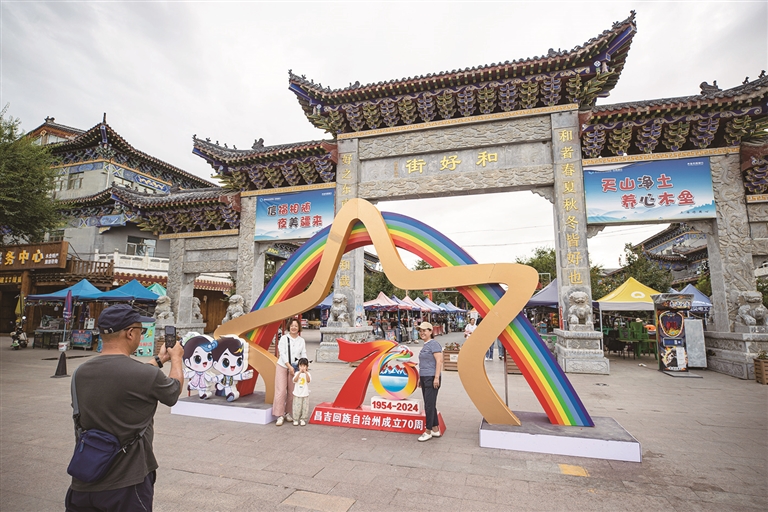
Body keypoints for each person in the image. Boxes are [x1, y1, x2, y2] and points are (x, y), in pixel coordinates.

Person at [65, 304, 183, 512]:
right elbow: (173, 392)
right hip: (127, 484)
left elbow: (129, 377)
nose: (140, 335)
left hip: (84, 479)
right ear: (130, 333)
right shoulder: (145, 376)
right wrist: (176, 359)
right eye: (141, 331)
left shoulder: (80, 373)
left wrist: (158, 359)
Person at [273, 318, 307, 426]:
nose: (293, 328)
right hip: (283, 366)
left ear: (299, 328)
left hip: (296, 368)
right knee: (281, 391)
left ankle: (288, 412)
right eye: (292, 325)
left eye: (296, 326)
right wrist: (288, 366)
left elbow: (303, 354)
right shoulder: (284, 338)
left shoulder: (301, 340)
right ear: (289, 326)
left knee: (292, 392)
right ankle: (279, 415)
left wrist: (304, 367)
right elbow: (282, 353)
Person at [416, 322, 442, 442]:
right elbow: (423, 364)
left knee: (429, 405)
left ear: (430, 331)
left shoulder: (434, 344)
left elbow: (439, 361)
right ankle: (436, 429)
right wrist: (419, 378)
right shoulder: (425, 345)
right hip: (425, 377)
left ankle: (428, 431)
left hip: (432, 377)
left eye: (424, 330)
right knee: (430, 403)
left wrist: (436, 377)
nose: (422, 333)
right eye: (420, 331)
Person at [291, 358, 312, 426]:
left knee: (304, 408)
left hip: (305, 394)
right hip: (297, 393)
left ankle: (303, 419)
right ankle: (296, 419)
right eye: (301, 366)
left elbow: (308, 381)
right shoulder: (297, 373)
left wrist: (306, 372)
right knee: (296, 407)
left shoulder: (308, 374)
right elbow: (295, 380)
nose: (302, 368)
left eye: (304, 366)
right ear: (298, 366)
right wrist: (299, 372)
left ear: (307, 367)